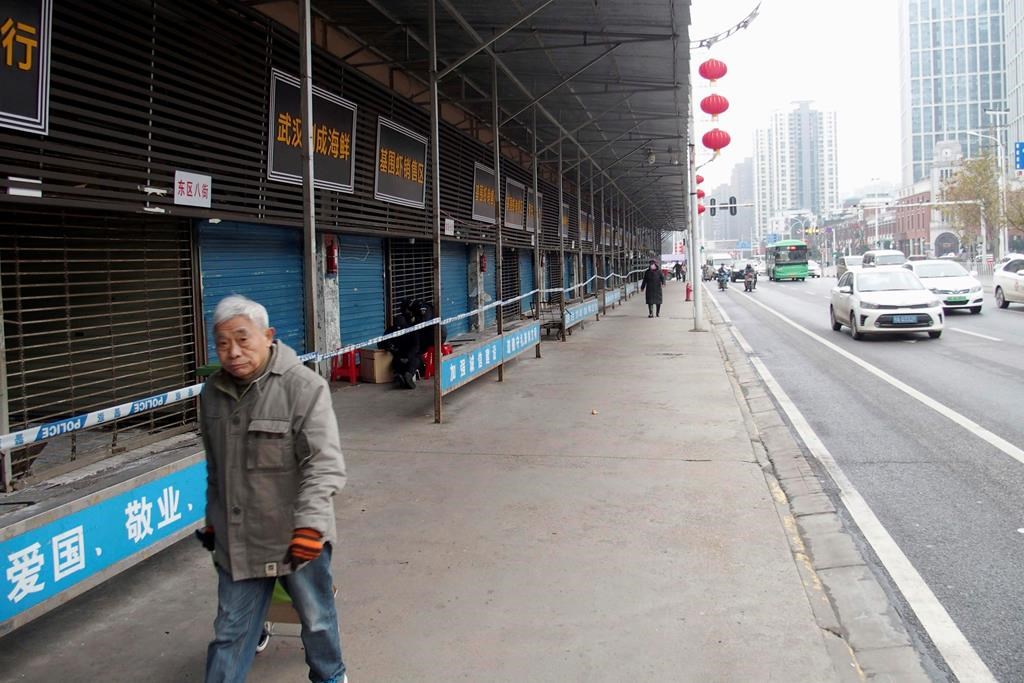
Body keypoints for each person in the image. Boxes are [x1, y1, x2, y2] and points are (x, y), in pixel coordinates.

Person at [199, 295, 347, 683]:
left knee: (315, 621)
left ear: (268, 336)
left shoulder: (304, 387)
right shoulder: (212, 394)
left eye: (243, 340)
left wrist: (310, 527)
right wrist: (213, 521)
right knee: (230, 631)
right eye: (222, 343)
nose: (232, 353)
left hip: (295, 535)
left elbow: (324, 464)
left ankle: (331, 677)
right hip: (239, 538)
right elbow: (216, 469)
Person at [380, 312, 421, 389]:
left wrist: (408, 356)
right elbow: (381, 342)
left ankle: (407, 376)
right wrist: (389, 346)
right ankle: (401, 376)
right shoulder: (391, 331)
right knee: (397, 362)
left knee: (413, 362)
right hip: (398, 355)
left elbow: (416, 346)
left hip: (409, 355)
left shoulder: (411, 331)